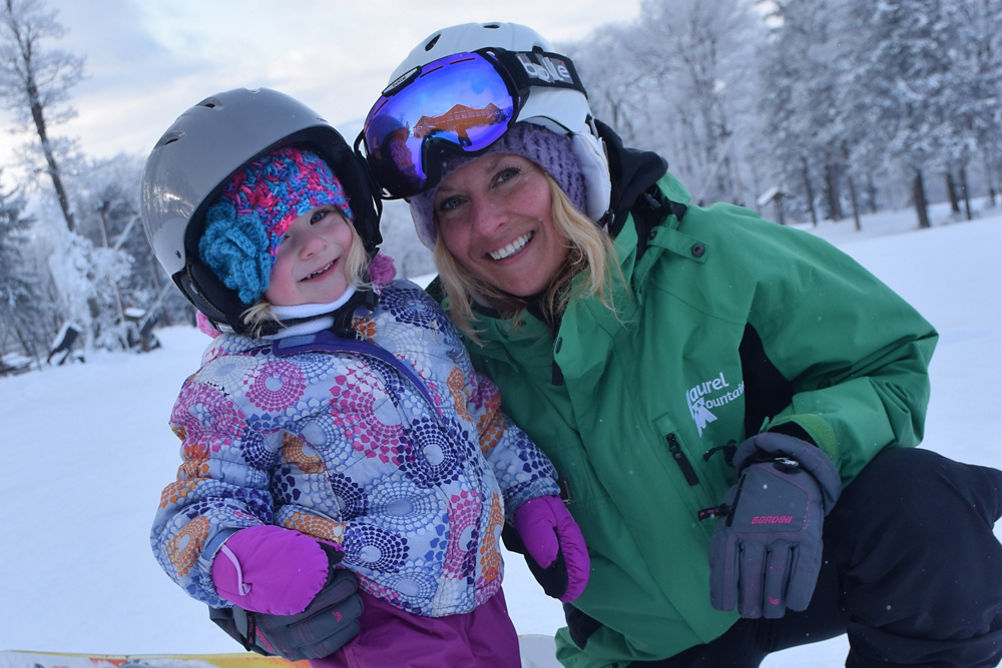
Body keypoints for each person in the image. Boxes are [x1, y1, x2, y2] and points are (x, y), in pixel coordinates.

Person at [140, 87, 590, 668]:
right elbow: (195, 506)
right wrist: (237, 554)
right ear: (228, 274)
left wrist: (531, 494)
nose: (314, 244)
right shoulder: (238, 387)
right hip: (369, 620)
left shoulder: (408, 313)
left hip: (480, 593)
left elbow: (478, 417)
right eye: (275, 240)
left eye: (321, 213)